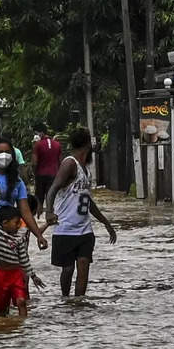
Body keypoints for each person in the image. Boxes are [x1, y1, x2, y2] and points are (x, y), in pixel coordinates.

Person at [0, 137, 49, 313]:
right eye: (0, 152)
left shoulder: (17, 181)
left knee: (11, 273)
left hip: (9, 233)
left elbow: (25, 211)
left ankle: (4, 318)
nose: (4, 156)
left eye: (7, 152)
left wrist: (38, 234)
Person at [44, 127, 117, 297]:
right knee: (68, 269)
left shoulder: (86, 170)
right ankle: (65, 300)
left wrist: (106, 223)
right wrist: (49, 211)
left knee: (84, 267)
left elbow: (87, 201)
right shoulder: (69, 164)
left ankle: (79, 305)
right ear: (87, 144)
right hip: (65, 229)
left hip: (85, 230)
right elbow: (53, 188)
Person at [0, 201, 46, 317]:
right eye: (16, 223)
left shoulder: (19, 238)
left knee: (21, 301)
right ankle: (5, 329)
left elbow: (23, 258)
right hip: (1, 275)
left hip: (16, 274)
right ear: (5, 223)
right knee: (0, 309)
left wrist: (33, 276)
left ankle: (23, 326)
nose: (19, 225)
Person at [31, 123, 63, 216]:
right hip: (54, 175)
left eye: (36, 133)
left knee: (38, 199)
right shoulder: (57, 144)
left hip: (40, 175)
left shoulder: (37, 145)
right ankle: (50, 215)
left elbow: (34, 163)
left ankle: (37, 217)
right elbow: (60, 161)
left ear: (41, 133)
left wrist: (34, 173)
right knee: (51, 197)